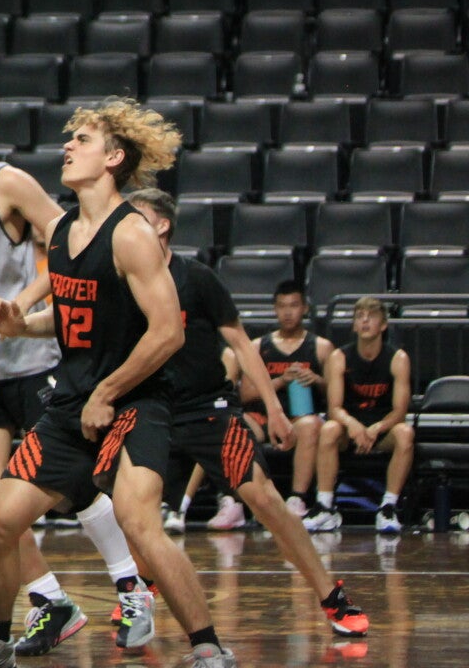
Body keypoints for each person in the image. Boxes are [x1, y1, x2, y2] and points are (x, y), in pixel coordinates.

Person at [0, 101, 235, 668]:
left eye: (84, 139)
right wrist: (23, 324)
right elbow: (74, 315)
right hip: (72, 405)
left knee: (138, 522)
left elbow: (168, 332)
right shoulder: (62, 230)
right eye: (71, 138)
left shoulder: (132, 234)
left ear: (114, 158)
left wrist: (107, 392)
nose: (68, 146)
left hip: (135, 403)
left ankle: (208, 647)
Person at [0, 81, 148, 658]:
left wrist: (24, 303)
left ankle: (129, 582)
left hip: (31, 360)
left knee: (73, 487)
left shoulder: (6, 182)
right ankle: (51, 598)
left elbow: (73, 244)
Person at [127, 189, 369, 637]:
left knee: (265, 499)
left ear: (162, 224)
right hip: (150, 410)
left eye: (135, 215)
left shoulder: (197, 278)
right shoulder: (122, 279)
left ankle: (330, 596)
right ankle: (140, 592)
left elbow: (241, 343)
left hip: (208, 409)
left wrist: (274, 409)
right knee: (130, 511)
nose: (125, 223)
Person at [306, 296, 414, 535]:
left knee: (405, 433)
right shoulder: (339, 357)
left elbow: (400, 411)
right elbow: (334, 408)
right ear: (354, 326)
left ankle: (388, 508)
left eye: (371, 316)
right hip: (349, 429)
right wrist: (352, 424)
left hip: (382, 429)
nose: (365, 321)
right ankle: (324, 506)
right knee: (329, 428)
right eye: (359, 317)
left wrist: (377, 428)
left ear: (383, 325)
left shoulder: (398, 359)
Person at [250, 280, 336, 517]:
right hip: (265, 417)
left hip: (300, 420)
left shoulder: (322, 347)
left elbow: (336, 395)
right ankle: (237, 501)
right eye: (282, 306)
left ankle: (297, 498)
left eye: (294, 305)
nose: (288, 312)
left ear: (305, 308)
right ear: (275, 309)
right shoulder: (258, 346)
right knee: (233, 423)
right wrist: (281, 380)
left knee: (310, 425)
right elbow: (245, 394)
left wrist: (316, 379)